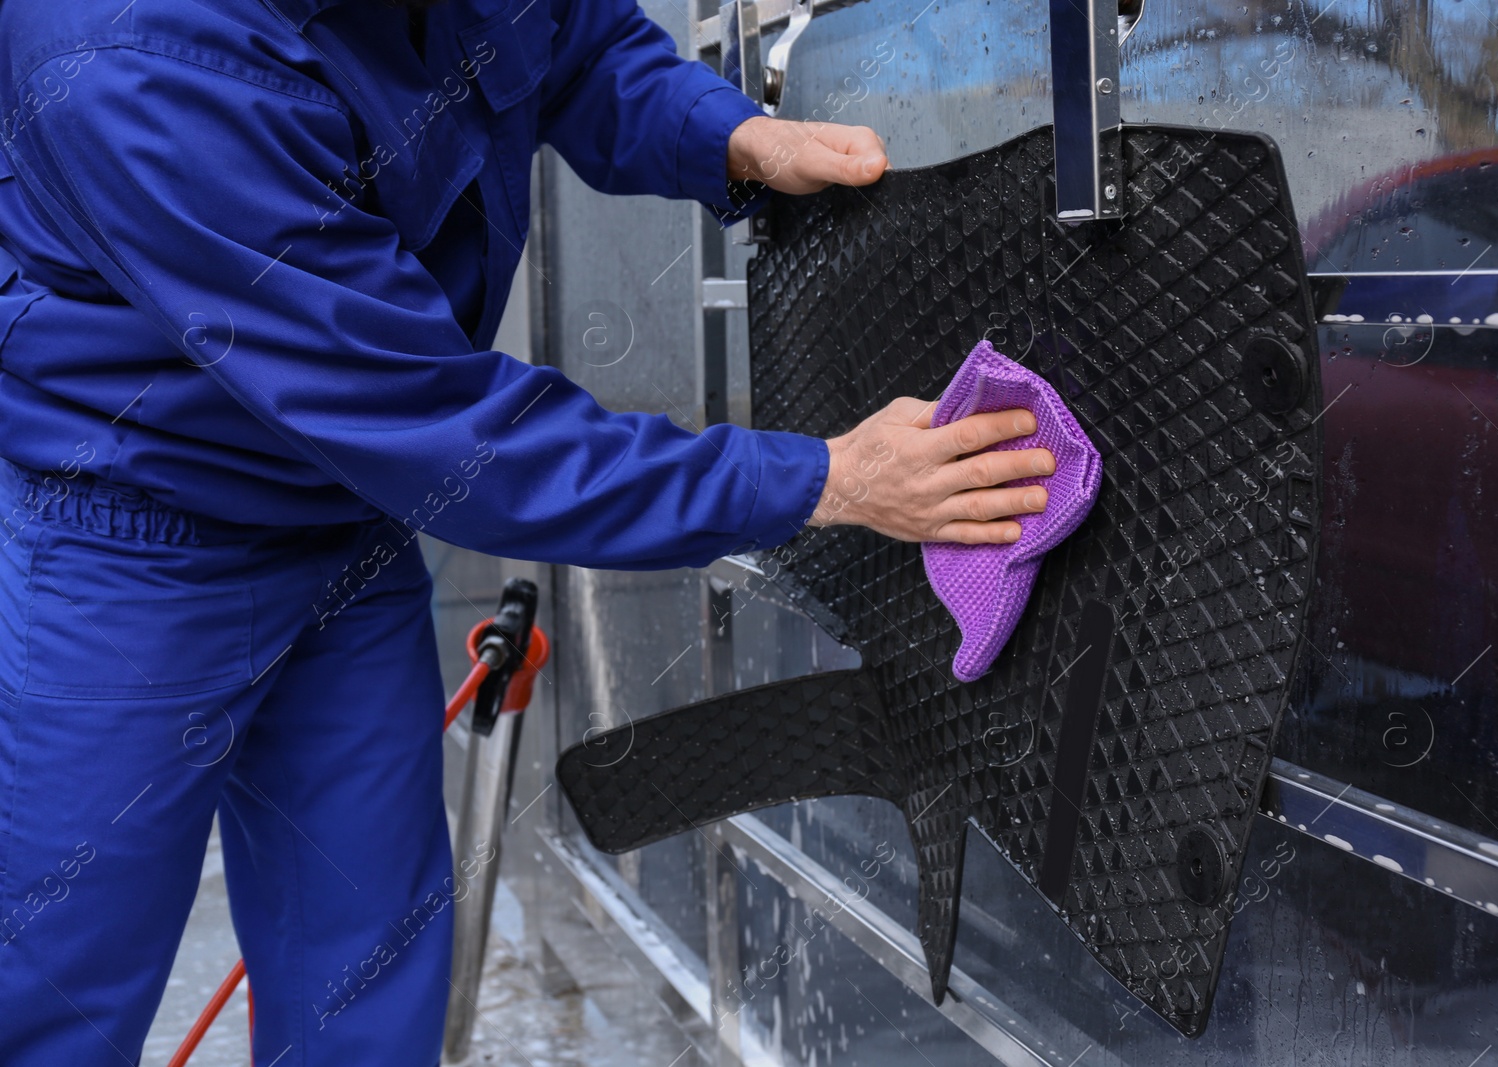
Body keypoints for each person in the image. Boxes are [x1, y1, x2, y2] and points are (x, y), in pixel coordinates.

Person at [0, 1, 1055, 1063]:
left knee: (367, 973)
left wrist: (728, 136)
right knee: (60, 983)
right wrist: (826, 478)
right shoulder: (131, 64)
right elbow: (447, 434)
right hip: (132, 549)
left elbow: (577, 43)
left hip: (344, 525)